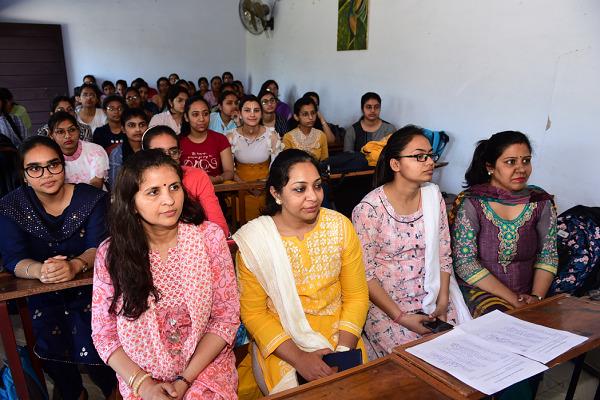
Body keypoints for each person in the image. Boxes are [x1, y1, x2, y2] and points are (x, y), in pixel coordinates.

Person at [92, 149, 239, 399]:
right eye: (153, 192)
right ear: (131, 203)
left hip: (204, 367)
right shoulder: (112, 254)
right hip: (141, 375)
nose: (170, 200)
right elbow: (104, 334)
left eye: (174, 187)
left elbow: (226, 317)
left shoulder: (209, 238)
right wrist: (144, 385)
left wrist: (184, 380)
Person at [234, 149, 369, 395]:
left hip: (342, 333)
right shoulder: (256, 242)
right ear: (276, 194)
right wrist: (299, 359)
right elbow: (253, 313)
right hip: (284, 341)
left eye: (317, 186)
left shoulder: (340, 226)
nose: (313, 197)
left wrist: (343, 352)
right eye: (299, 189)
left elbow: (357, 295)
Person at [0, 136, 116, 399]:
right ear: (24, 175)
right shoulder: (11, 206)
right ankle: (73, 393)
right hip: (41, 294)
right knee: (52, 355)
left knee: (101, 356)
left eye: (53, 165)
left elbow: (99, 246)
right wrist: (41, 271)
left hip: (93, 291)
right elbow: (14, 258)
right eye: (35, 168)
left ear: (63, 166)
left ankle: (115, 392)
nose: (46, 174)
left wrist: (76, 265)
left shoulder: (92, 199)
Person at [352, 126, 471, 360]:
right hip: (389, 308)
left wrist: (443, 300)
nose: (429, 162)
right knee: (418, 365)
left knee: (460, 357)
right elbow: (365, 275)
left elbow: (444, 253)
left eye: (430, 155)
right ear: (395, 164)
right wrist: (401, 317)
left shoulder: (432, 196)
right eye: (419, 156)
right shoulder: (369, 210)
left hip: (434, 295)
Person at [450, 131, 558, 318]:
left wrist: (536, 298)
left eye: (526, 161)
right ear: (490, 167)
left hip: (529, 294)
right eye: (510, 162)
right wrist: (514, 300)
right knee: (502, 321)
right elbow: (465, 263)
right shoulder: (473, 203)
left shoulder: (539, 201)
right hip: (481, 291)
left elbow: (547, 255)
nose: (521, 169)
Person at [142, 125, 229, 236]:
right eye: (160, 153)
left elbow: (219, 227)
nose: (167, 158)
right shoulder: (138, 181)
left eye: (173, 152)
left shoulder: (196, 176)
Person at [226, 95, 283, 221]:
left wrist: (263, 184)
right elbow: (229, 169)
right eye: (247, 110)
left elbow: (276, 166)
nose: (252, 114)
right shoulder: (231, 137)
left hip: (266, 186)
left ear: (261, 114)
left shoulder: (271, 136)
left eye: (256, 110)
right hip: (240, 187)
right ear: (239, 114)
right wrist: (245, 186)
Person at [179, 96, 234, 184]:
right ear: (186, 117)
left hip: (216, 192)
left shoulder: (220, 139)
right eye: (195, 114)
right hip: (188, 194)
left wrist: (218, 179)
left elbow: (229, 172)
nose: (202, 119)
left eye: (205, 114)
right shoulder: (178, 142)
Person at [48, 112, 108, 189]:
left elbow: (96, 184)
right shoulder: (48, 157)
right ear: (51, 135)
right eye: (60, 132)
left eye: (72, 130)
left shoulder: (96, 151)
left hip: (94, 198)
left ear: (79, 130)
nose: (67, 136)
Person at [108, 108, 148, 189]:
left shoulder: (154, 148)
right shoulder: (117, 154)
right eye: (132, 125)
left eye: (142, 125)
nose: (138, 129)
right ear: (123, 129)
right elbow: (115, 187)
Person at [283, 97, 328, 161]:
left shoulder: (321, 135)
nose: (310, 117)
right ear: (296, 117)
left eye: (313, 113)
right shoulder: (288, 137)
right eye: (305, 114)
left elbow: (325, 162)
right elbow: (287, 164)